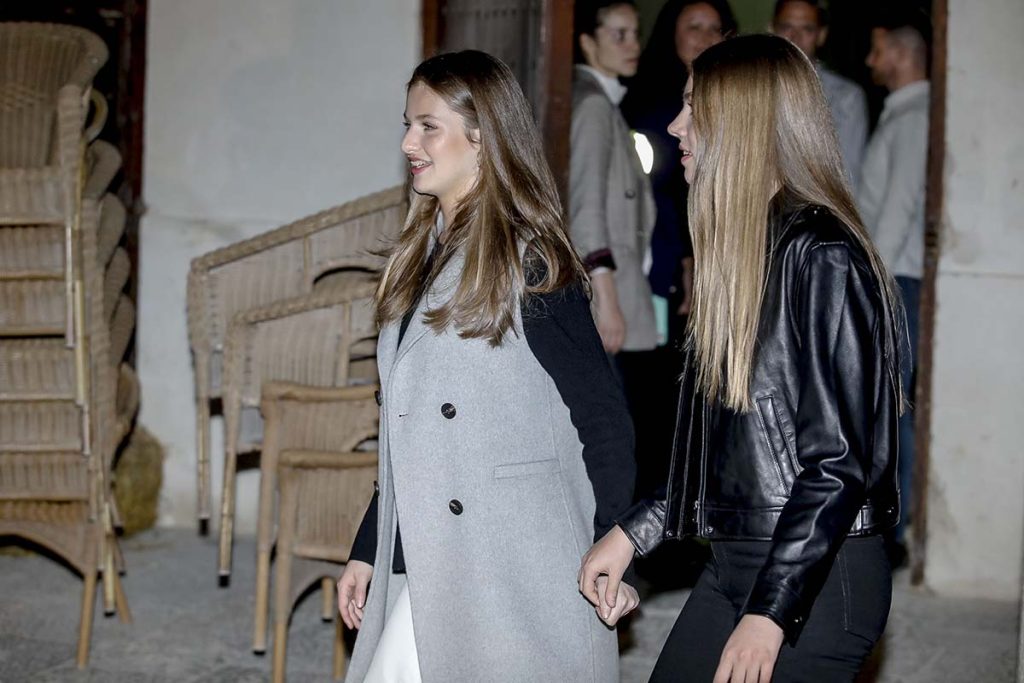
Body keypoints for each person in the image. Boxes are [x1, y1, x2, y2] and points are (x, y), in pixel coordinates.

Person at [580, 35, 904, 682]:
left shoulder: (822, 255)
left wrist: (771, 613)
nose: (675, 126)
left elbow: (839, 462)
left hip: (816, 574)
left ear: (744, 123)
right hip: (736, 560)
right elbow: (717, 449)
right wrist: (633, 531)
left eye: (693, 107)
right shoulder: (740, 254)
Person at [336, 50, 639, 682]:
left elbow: (604, 419)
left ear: (482, 138)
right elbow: (408, 433)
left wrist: (616, 542)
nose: (407, 142)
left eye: (427, 126)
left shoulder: (532, 261)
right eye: (407, 124)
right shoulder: (419, 254)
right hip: (434, 553)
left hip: (514, 561)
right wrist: (372, 548)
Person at [570, 0, 658, 504]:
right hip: (608, 291)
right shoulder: (593, 107)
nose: (632, 45)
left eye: (634, 34)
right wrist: (605, 294)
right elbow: (585, 208)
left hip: (621, 286)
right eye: (618, 34)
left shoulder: (604, 102)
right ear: (587, 41)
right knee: (613, 431)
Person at [858, 9, 931, 563]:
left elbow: (899, 207)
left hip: (894, 280)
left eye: (879, 50)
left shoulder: (913, 117)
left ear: (903, 56)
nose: (870, 60)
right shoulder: (904, 113)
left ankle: (895, 529)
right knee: (886, 402)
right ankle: (888, 522)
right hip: (893, 277)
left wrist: (871, 283)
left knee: (892, 403)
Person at [771, 0, 868, 187]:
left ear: (821, 35)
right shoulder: (753, 88)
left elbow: (849, 175)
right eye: (786, 27)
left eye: (807, 29)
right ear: (772, 29)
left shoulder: (846, 97)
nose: (795, 37)